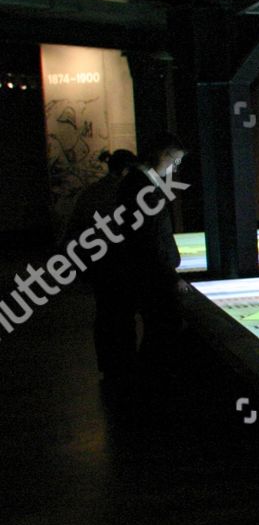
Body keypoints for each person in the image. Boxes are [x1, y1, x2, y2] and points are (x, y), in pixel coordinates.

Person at [96, 133, 188, 386]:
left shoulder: (138, 183)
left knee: (153, 324)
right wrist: (171, 275)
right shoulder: (142, 186)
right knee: (161, 323)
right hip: (149, 271)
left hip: (144, 268)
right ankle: (153, 377)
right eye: (176, 160)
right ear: (164, 155)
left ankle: (146, 375)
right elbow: (150, 237)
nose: (176, 167)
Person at [66, 149, 138, 379]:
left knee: (105, 313)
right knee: (124, 315)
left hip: (98, 262)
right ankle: (126, 361)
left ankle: (108, 363)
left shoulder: (91, 193)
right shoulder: (125, 193)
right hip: (121, 260)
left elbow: (75, 229)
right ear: (127, 170)